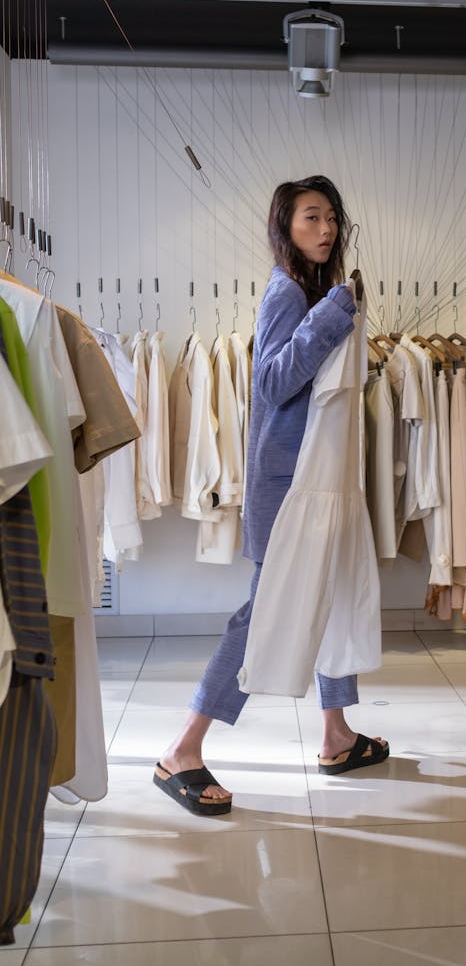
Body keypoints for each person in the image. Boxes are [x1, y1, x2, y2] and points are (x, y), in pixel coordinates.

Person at [154, 175, 389, 815]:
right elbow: (274, 381)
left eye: (332, 218)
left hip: (318, 480)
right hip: (287, 486)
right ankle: (183, 748)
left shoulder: (314, 290)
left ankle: (336, 735)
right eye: (311, 218)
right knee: (263, 615)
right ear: (285, 226)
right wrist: (334, 315)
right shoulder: (287, 290)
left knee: (332, 592)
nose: (326, 229)